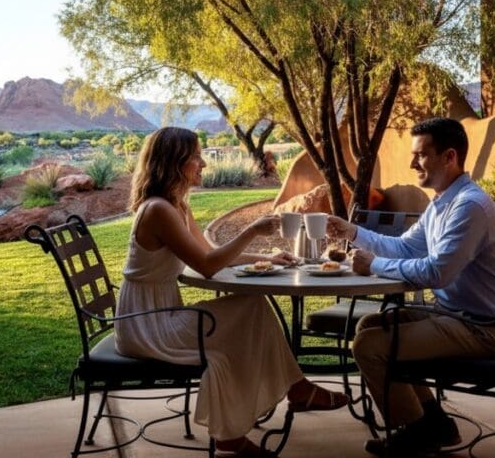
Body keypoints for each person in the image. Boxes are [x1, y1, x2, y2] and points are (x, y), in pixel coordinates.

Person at [115, 127, 348, 457]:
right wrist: (253, 230)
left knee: (251, 307)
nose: (203, 164)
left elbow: (209, 253)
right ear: (175, 162)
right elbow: (209, 265)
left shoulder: (175, 206)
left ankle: (289, 394)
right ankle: (253, 419)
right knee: (244, 320)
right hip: (148, 325)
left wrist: (266, 258)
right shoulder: (158, 210)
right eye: (196, 157)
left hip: (159, 314)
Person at [326, 117, 495, 457]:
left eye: (421, 155)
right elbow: (405, 248)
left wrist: (373, 265)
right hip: (461, 318)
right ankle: (434, 423)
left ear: (449, 157)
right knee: (370, 325)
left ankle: (415, 433)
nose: (413, 163)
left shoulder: (468, 207)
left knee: (371, 345)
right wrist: (352, 232)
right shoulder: (444, 202)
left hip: (485, 330)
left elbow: (436, 273)